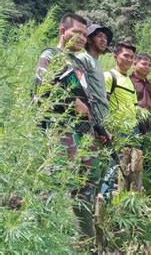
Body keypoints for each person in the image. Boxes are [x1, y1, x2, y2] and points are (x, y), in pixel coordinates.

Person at [33, 13, 96, 238]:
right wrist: (73, 102)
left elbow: (87, 99)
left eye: (83, 34)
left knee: (85, 185)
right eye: (75, 32)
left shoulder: (78, 62)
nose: (81, 38)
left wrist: (96, 128)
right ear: (62, 31)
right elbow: (43, 87)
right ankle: (38, 238)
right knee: (53, 181)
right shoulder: (51, 55)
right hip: (59, 127)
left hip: (83, 132)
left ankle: (86, 241)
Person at [104, 42, 143, 192]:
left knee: (131, 167)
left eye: (131, 57)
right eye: (125, 55)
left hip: (132, 129)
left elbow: (134, 107)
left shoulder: (129, 81)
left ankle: (126, 200)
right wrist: (107, 128)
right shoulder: (109, 76)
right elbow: (103, 104)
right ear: (115, 56)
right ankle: (105, 199)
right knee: (112, 166)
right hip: (117, 128)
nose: (129, 59)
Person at [77, 24, 113, 126]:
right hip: (92, 117)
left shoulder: (97, 63)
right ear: (88, 39)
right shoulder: (83, 58)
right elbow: (80, 89)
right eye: (99, 36)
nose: (104, 40)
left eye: (105, 38)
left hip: (103, 116)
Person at [130, 52, 151, 134]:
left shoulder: (150, 85)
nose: (147, 67)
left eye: (149, 65)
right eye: (144, 64)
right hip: (133, 125)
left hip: (148, 125)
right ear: (134, 64)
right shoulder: (128, 81)